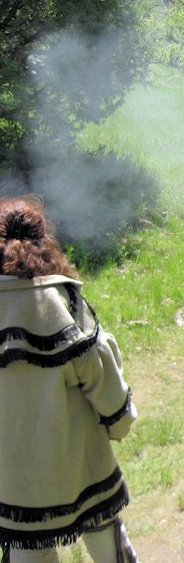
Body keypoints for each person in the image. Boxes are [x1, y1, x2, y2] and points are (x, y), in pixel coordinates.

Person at [0, 196, 138, 562]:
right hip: (79, 466)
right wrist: (120, 421)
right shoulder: (60, 301)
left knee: (29, 551)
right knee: (108, 548)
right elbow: (100, 373)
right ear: (43, 239)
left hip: (13, 481)